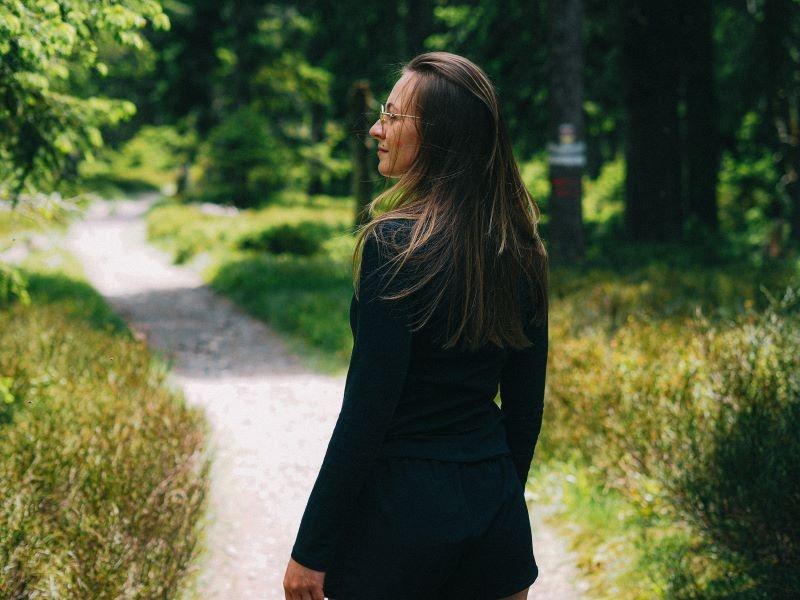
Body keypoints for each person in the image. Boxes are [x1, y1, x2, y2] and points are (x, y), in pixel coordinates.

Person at [284, 51, 549, 600]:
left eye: (393, 116)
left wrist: (312, 549)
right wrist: (495, 505)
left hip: (399, 525)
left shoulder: (394, 245)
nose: (376, 129)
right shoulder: (521, 249)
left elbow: (367, 411)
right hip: (495, 521)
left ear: (439, 135)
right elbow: (524, 412)